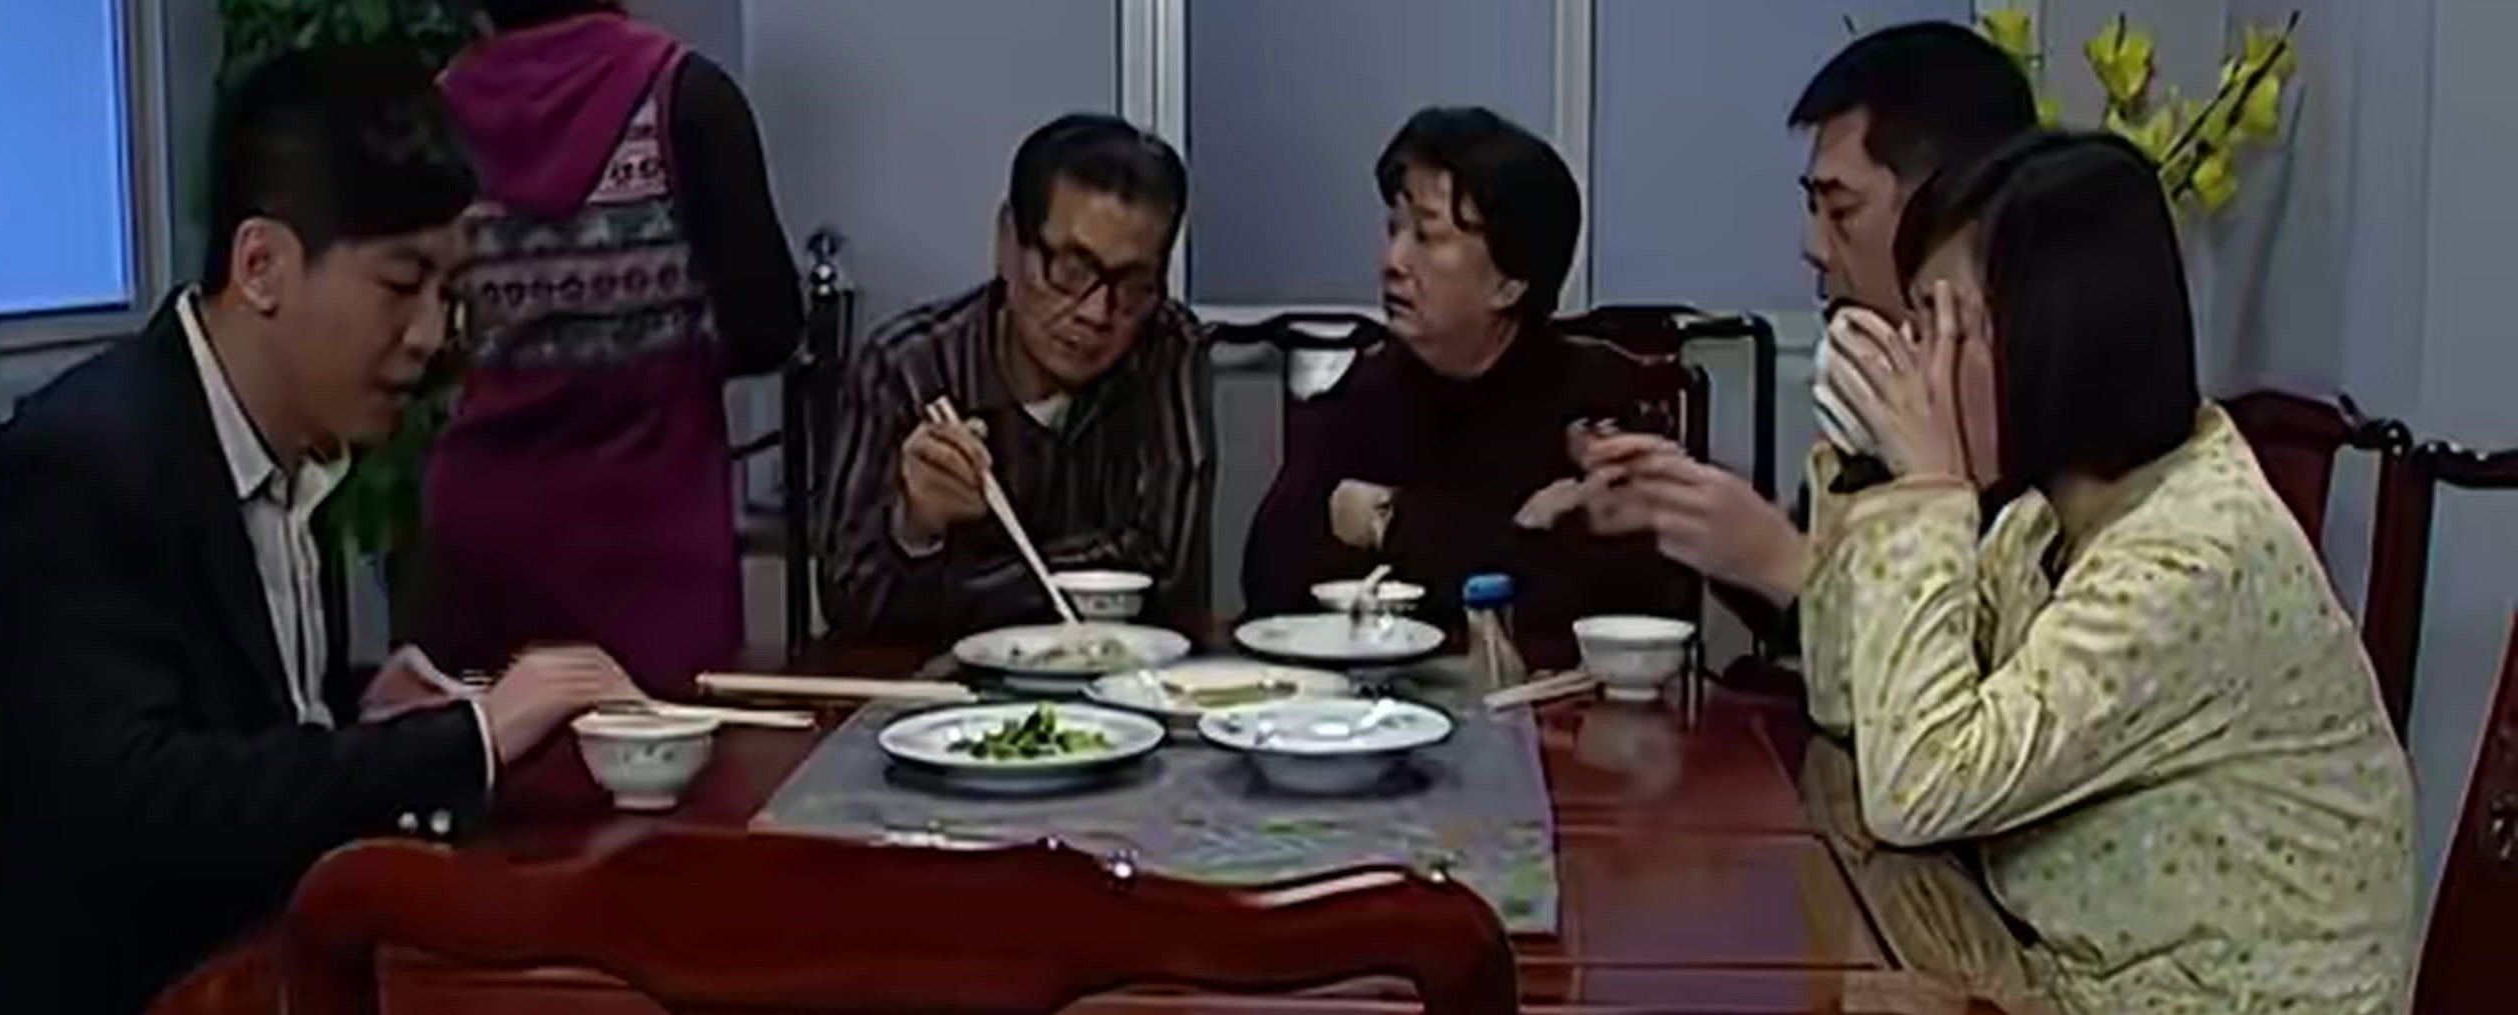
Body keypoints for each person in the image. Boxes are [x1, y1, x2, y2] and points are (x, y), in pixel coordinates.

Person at [0, 44, 641, 1015]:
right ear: (264, 265)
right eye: (402, 285)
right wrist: (463, 739)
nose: (433, 337)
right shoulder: (84, 460)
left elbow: (226, 700)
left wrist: (354, 699)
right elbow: (127, 799)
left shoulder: (282, 442)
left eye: (449, 292)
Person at [1809, 132, 2415, 1015]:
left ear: (2058, 333)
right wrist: (1876, 478)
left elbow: (1919, 781)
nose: (1918, 365)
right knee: (1844, 918)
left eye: (1945, 326)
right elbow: (1852, 705)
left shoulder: (2189, 556)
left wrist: (1926, 491)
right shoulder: (2052, 519)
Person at [1581, 22, 2037, 642]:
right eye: (1812, 208)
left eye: (1842, 210)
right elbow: (1817, 645)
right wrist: (1705, 520)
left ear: (1954, 206)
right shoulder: (1864, 392)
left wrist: (1784, 564)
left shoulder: (2030, 420)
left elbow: (1971, 676)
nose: (1814, 248)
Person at [424, 0, 800, 695]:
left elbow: (415, 342)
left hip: (484, 539)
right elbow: (769, 325)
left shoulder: (434, 113)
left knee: (492, 752)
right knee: (664, 755)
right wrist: (649, 348)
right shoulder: (685, 94)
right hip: (652, 536)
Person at [1239, 106, 1697, 660]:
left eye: (1427, 236)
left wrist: (1386, 521)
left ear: (1510, 283)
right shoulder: (1371, 384)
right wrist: (1517, 533)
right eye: (1393, 229)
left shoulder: (1596, 396)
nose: (1392, 261)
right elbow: (1270, 581)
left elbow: (1623, 606)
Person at [816, 114, 1212, 643]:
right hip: (941, 687)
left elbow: (1166, 569)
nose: (1097, 312)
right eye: (1071, 270)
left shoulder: (1166, 346)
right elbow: (848, 595)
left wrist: (948, 587)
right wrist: (914, 529)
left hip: (1129, 680)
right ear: (1008, 242)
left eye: (1135, 284)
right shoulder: (907, 365)